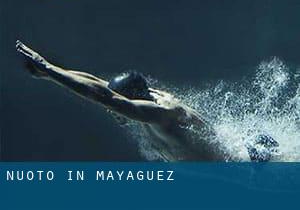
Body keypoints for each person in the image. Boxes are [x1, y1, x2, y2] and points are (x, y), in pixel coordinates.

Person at [15, 40, 278, 161]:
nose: (110, 111)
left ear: (132, 100)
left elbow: (106, 97)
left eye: (115, 106)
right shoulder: (146, 98)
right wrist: (51, 73)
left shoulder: (162, 114)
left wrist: (48, 69)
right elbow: (99, 85)